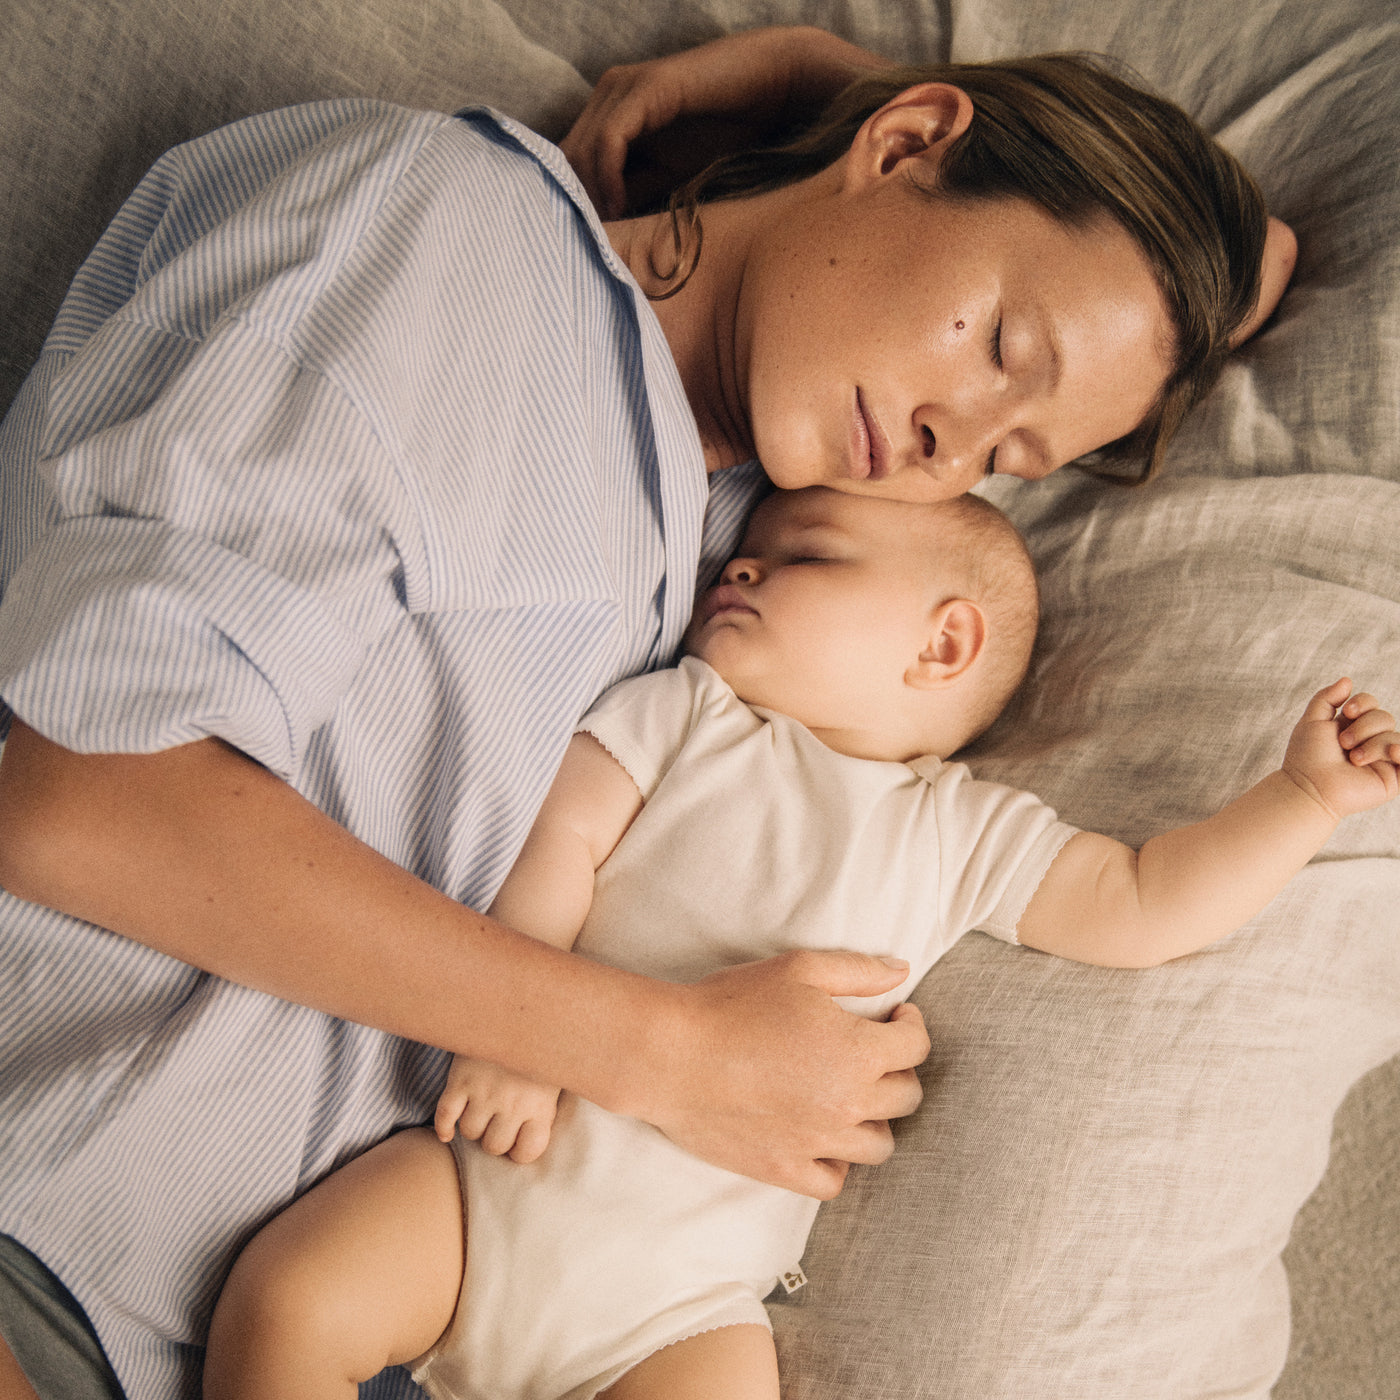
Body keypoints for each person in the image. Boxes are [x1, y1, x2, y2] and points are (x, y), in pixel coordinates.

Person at [0, 28, 1290, 1400]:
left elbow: (1255, 259)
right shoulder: (446, 242)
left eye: (1008, 459)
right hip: (43, 1216)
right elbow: (87, 799)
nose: (948, 447)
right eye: (998, 347)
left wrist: (803, 83)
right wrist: (668, 1053)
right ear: (908, 149)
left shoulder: (759, 558)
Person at [200, 485, 1400, 1400]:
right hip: (490, 1180)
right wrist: (509, 1037)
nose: (745, 560)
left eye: (807, 552)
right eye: (748, 546)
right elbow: (556, 848)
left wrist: (1298, 803)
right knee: (291, 1294)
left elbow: (1142, 901)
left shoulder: (956, 830)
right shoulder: (684, 713)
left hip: (681, 1310)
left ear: (939, 645)